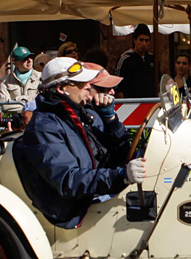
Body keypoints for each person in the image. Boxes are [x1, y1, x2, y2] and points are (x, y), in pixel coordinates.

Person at [14, 57, 144, 229]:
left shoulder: (82, 113)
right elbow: (68, 180)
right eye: (81, 83)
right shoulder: (44, 127)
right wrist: (120, 176)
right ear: (61, 88)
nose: (88, 86)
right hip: (76, 208)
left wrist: (110, 120)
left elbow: (119, 153)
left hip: (96, 190)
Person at [0, 45, 43, 113]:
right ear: (15, 62)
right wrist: (29, 106)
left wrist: (19, 100)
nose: (29, 60)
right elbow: (5, 106)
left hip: (36, 118)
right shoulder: (5, 81)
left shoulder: (41, 78)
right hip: (16, 121)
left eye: (30, 57)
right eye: (25, 58)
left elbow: (42, 102)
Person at [117, 24, 156, 98]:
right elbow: (118, 81)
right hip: (131, 101)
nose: (144, 44)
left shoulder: (152, 58)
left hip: (150, 101)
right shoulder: (126, 58)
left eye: (146, 40)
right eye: (141, 40)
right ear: (134, 40)